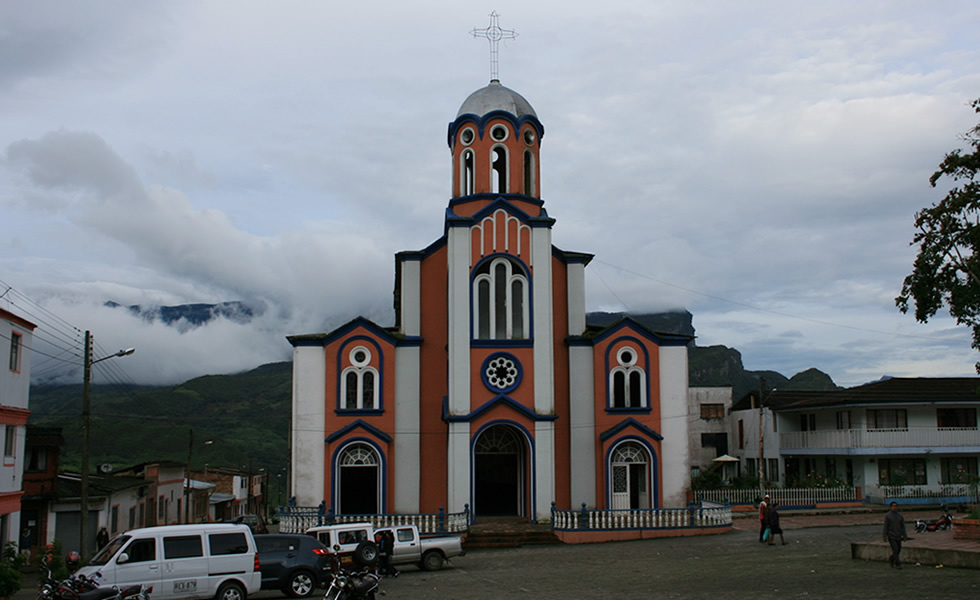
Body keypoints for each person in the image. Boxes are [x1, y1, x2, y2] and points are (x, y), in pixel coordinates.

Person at [882, 501, 908, 568]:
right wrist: (884, 535)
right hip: (891, 535)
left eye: (895, 506)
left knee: (898, 550)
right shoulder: (888, 516)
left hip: (898, 535)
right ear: (891, 507)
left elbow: (902, 526)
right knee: (895, 549)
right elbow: (885, 526)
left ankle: (891, 558)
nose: (894, 507)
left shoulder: (900, 516)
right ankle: (898, 564)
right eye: (893, 506)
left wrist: (904, 535)